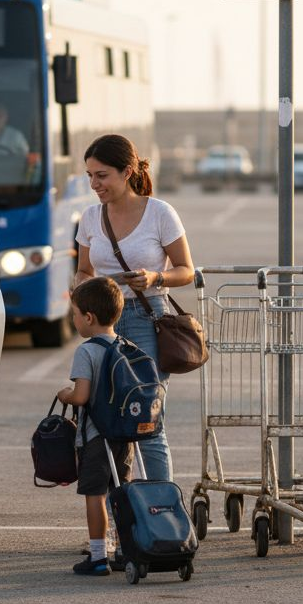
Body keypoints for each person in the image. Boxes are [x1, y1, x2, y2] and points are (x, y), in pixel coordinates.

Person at [72, 134, 194, 483]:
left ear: (127, 172)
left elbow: (186, 270)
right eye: (90, 176)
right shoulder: (91, 217)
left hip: (145, 317)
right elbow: (84, 270)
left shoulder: (160, 213)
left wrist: (155, 277)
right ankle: (115, 525)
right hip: (102, 325)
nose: (95, 184)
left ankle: (160, 519)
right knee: (103, 425)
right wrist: (79, 284)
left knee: (148, 422)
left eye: (102, 175)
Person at [56, 276, 131, 576]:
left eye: (74, 314)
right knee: (121, 494)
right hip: (123, 436)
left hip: (95, 437)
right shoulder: (127, 346)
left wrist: (66, 394)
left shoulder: (86, 351)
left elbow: (82, 396)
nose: (73, 319)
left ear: (89, 317)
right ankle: (126, 550)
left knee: (95, 495)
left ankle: (98, 556)